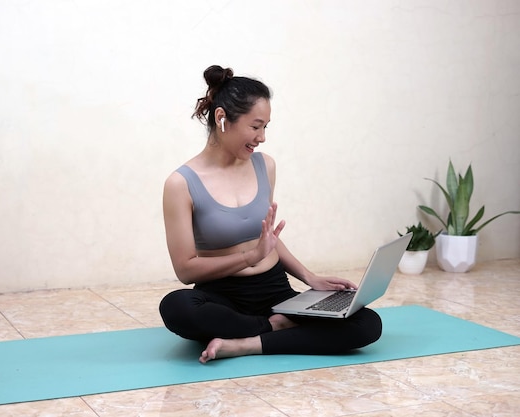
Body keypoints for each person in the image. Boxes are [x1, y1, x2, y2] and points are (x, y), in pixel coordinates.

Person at [159, 65, 382, 364]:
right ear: (222, 118)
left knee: (368, 323)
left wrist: (309, 277)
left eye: (266, 127)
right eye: (255, 126)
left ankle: (247, 343)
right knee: (177, 307)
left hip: (274, 290)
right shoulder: (181, 183)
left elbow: (268, 238)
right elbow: (185, 271)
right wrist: (250, 257)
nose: (262, 137)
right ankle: (275, 327)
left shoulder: (265, 166)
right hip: (221, 295)